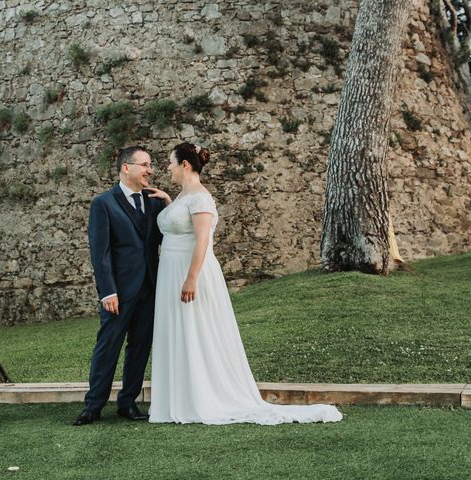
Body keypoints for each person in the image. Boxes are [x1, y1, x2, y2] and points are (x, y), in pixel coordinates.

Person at [146, 142, 343, 425]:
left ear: (185, 165)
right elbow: (179, 225)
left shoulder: (201, 198)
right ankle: (181, 396)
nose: (167, 167)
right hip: (171, 270)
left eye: (170, 162)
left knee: (196, 329)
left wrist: (191, 279)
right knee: (180, 329)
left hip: (191, 272)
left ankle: (203, 396)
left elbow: (202, 241)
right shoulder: (182, 196)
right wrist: (168, 202)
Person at [74, 146, 170, 426]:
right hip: (118, 293)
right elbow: (100, 252)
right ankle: (93, 405)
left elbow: (173, 236)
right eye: (145, 165)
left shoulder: (154, 202)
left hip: (150, 290)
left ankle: (128, 403)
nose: (150, 170)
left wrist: (168, 202)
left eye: (151, 164)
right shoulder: (103, 203)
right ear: (126, 168)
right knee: (108, 347)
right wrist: (108, 292)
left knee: (140, 347)